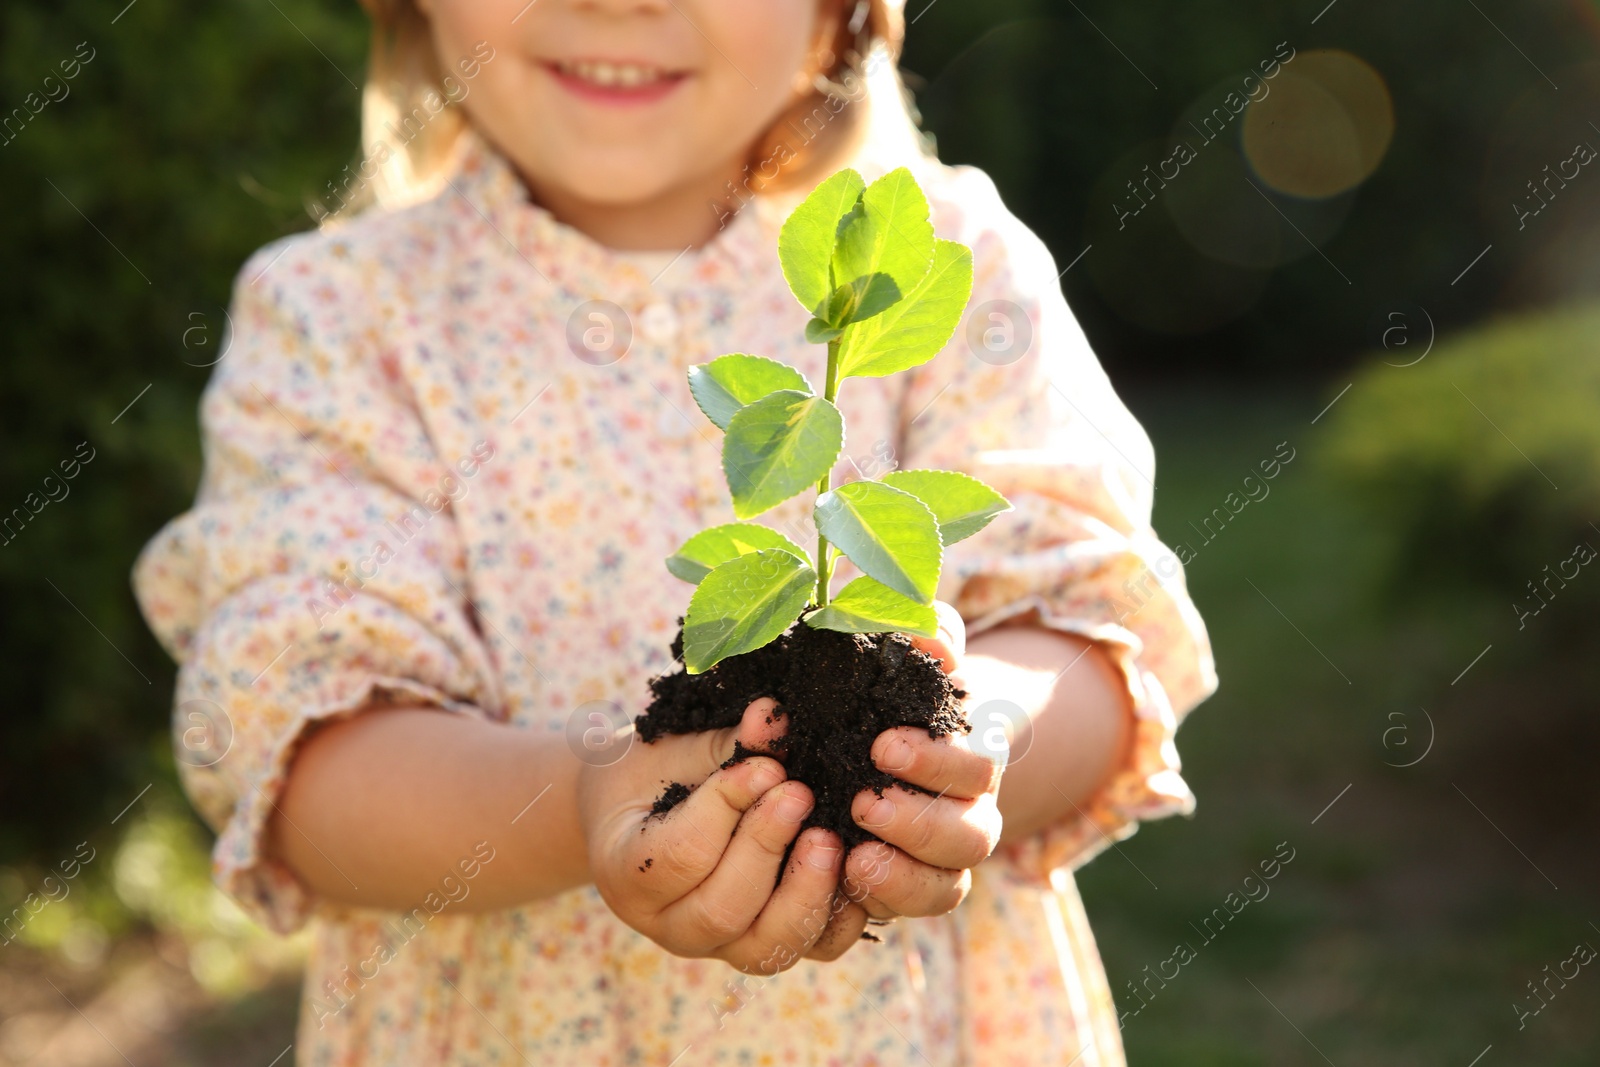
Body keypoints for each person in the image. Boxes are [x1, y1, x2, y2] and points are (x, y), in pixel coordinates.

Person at [133, 0, 1216, 1062]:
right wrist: (588, 799)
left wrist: (959, 748)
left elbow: (1088, 625)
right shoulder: (338, 315)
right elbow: (305, 758)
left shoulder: (937, 262)